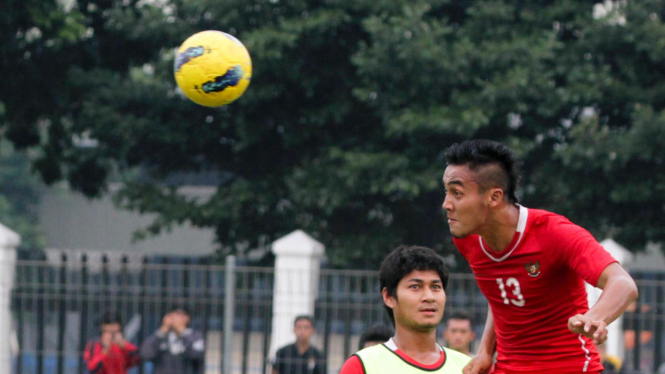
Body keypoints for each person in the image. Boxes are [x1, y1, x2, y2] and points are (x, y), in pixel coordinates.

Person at [441, 139, 639, 374]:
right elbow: (501, 297)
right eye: (446, 192)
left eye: (457, 193)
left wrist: (595, 317)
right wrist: (485, 351)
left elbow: (623, 284)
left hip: (569, 368)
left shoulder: (554, 233)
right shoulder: (468, 238)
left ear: (494, 197)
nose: (446, 204)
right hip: (507, 368)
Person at [339, 245, 471, 374]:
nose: (429, 297)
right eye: (415, 286)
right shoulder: (363, 365)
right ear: (389, 296)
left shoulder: (468, 367)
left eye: (435, 287)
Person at [140, 308, 205, 374]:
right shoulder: (161, 336)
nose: (174, 318)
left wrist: (182, 332)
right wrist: (162, 331)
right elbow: (146, 354)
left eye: (178, 315)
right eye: (171, 315)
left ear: (187, 318)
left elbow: (197, 356)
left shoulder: (195, 336)